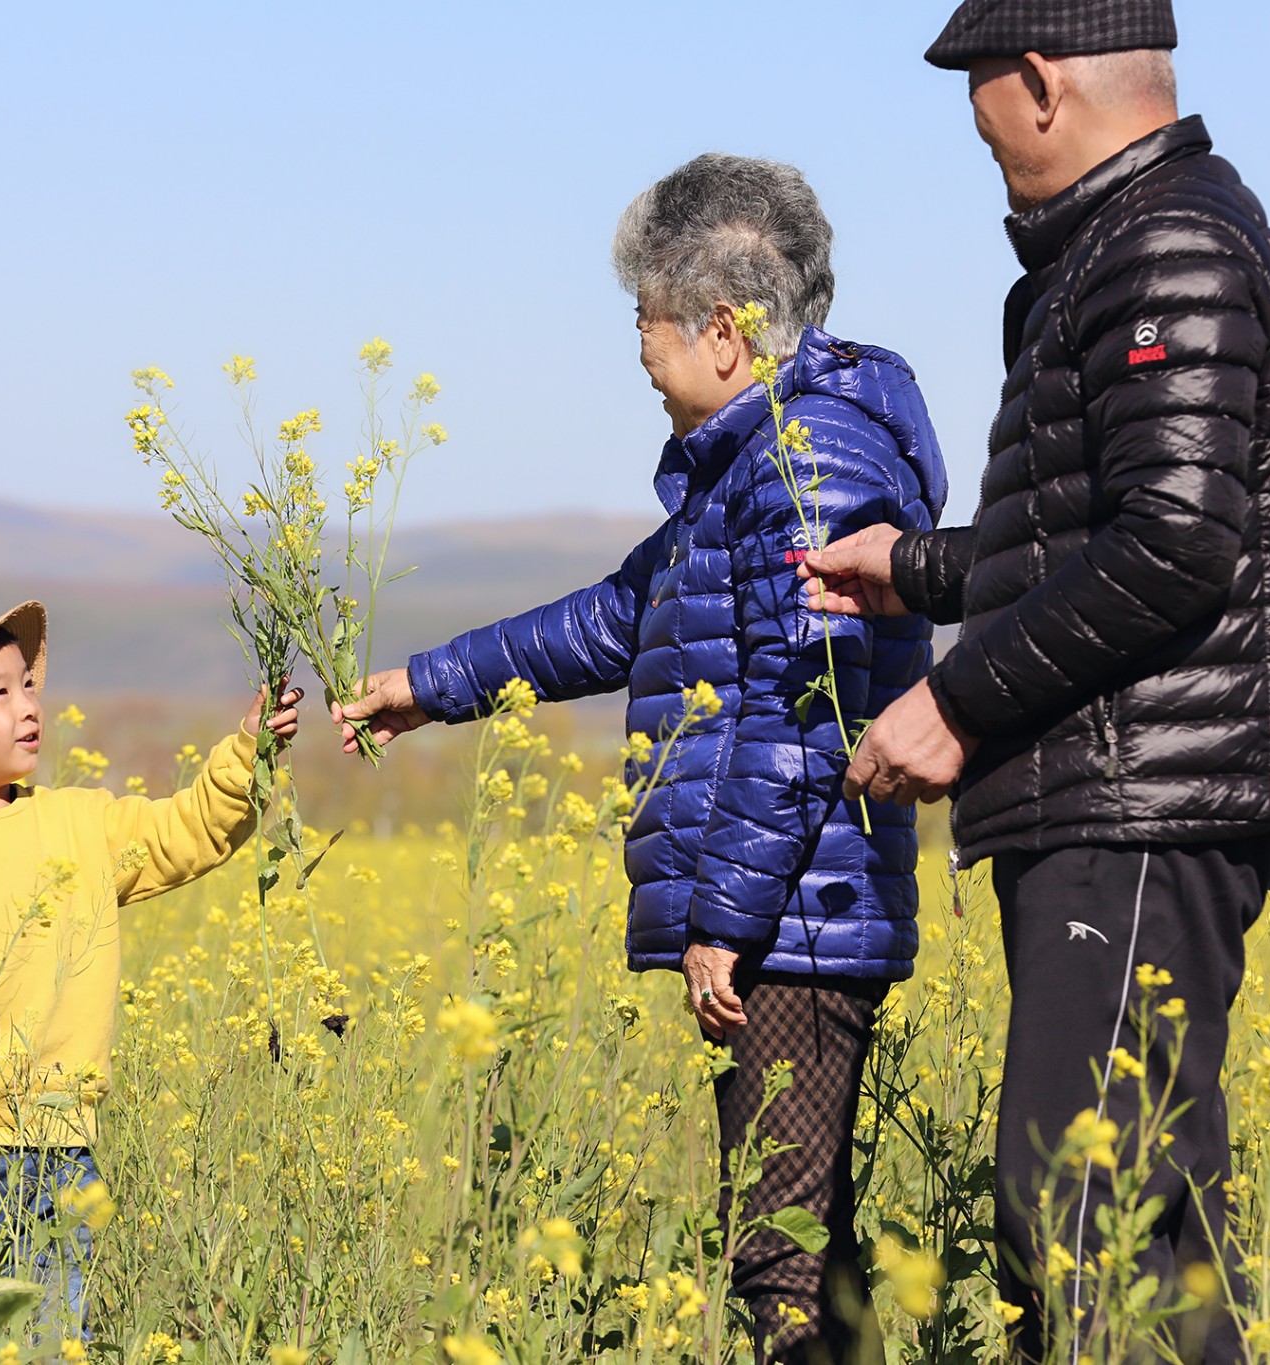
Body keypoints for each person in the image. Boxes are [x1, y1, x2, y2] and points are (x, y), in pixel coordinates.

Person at [798, 3, 1270, 1359]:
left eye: (981, 99)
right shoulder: (1132, 242)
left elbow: (1175, 545)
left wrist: (954, 699)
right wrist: (927, 570)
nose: (982, 137)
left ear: (1042, 81)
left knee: (1074, 1201)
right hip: (1132, 782)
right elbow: (1104, 524)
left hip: (1144, 801)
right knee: (1152, 1230)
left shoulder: (1164, 241)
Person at [334, 154, 948, 1363]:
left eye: (647, 318)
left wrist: (724, 915)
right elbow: (622, 618)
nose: (636, 344)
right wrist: (429, 686)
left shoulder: (805, 463)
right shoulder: (756, 460)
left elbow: (805, 711)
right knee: (792, 1245)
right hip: (788, 907)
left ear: (721, 330)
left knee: (781, 1251)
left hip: (796, 917)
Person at [0, 594, 300, 1356]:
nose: (29, 706)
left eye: (30, 685)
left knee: (41, 1343)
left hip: (54, 1155)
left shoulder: (80, 824)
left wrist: (246, 750)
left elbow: (192, 829)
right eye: (0, 691)